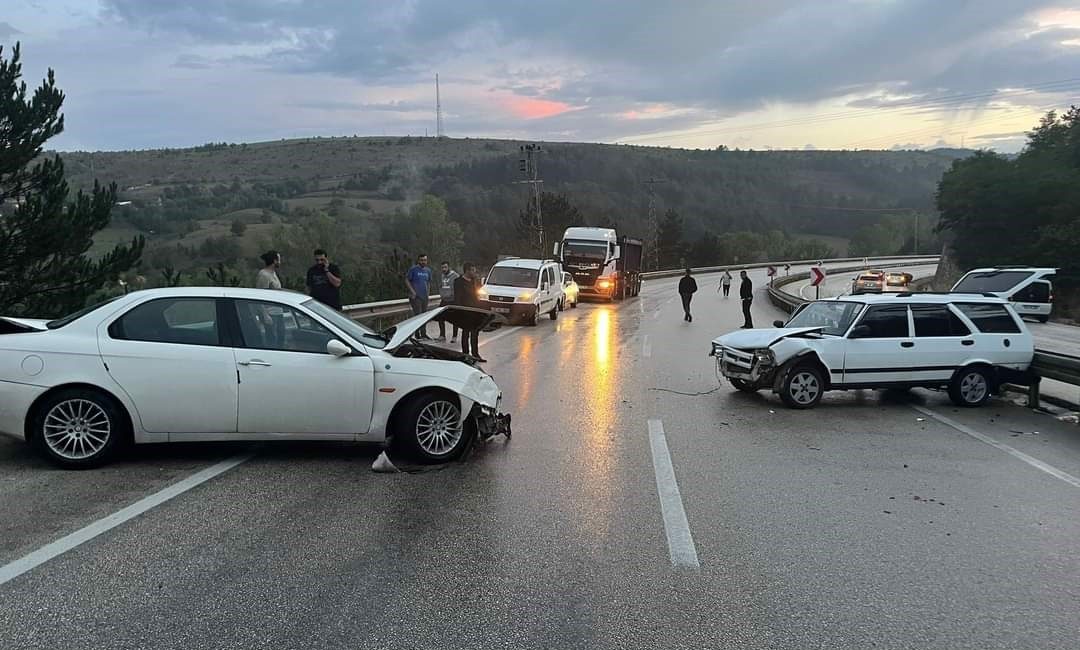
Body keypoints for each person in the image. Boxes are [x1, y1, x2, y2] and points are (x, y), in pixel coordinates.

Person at [454, 262, 485, 362]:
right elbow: (457, 297)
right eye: (472, 270)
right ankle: (465, 354)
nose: (474, 272)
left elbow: (478, 295)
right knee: (466, 333)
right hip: (465, 310)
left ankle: (475, 354)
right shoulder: (458, 282)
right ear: (467, 270)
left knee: (475, 333)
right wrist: (459, 310)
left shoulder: (474, 281)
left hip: (475, 310)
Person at [406, 253, 433, 339]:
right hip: (416, 297)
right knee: (418, 316)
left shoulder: (428, 270)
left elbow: (429, 282)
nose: (423, 262)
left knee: (424, 316)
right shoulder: (413, 269)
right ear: (418, 260)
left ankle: (424, 333)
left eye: (425, 260)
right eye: (421, 260)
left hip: (424, 296)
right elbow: (406, 280)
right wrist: (412, 291)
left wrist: (428, 293)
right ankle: (417, 334)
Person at [437, 261, 460, 343]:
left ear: (449, 267)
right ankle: (442, 335)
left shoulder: (455, 276)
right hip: (444, 300)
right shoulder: (442, 276)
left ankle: (454, 336)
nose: (444, 269)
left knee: (455, 318)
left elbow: (458, 286)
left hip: (452, 300)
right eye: (442, 267)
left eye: (445, 267)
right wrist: (441, 294)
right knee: (440, 316)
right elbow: (440, 286)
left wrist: (455, 296)